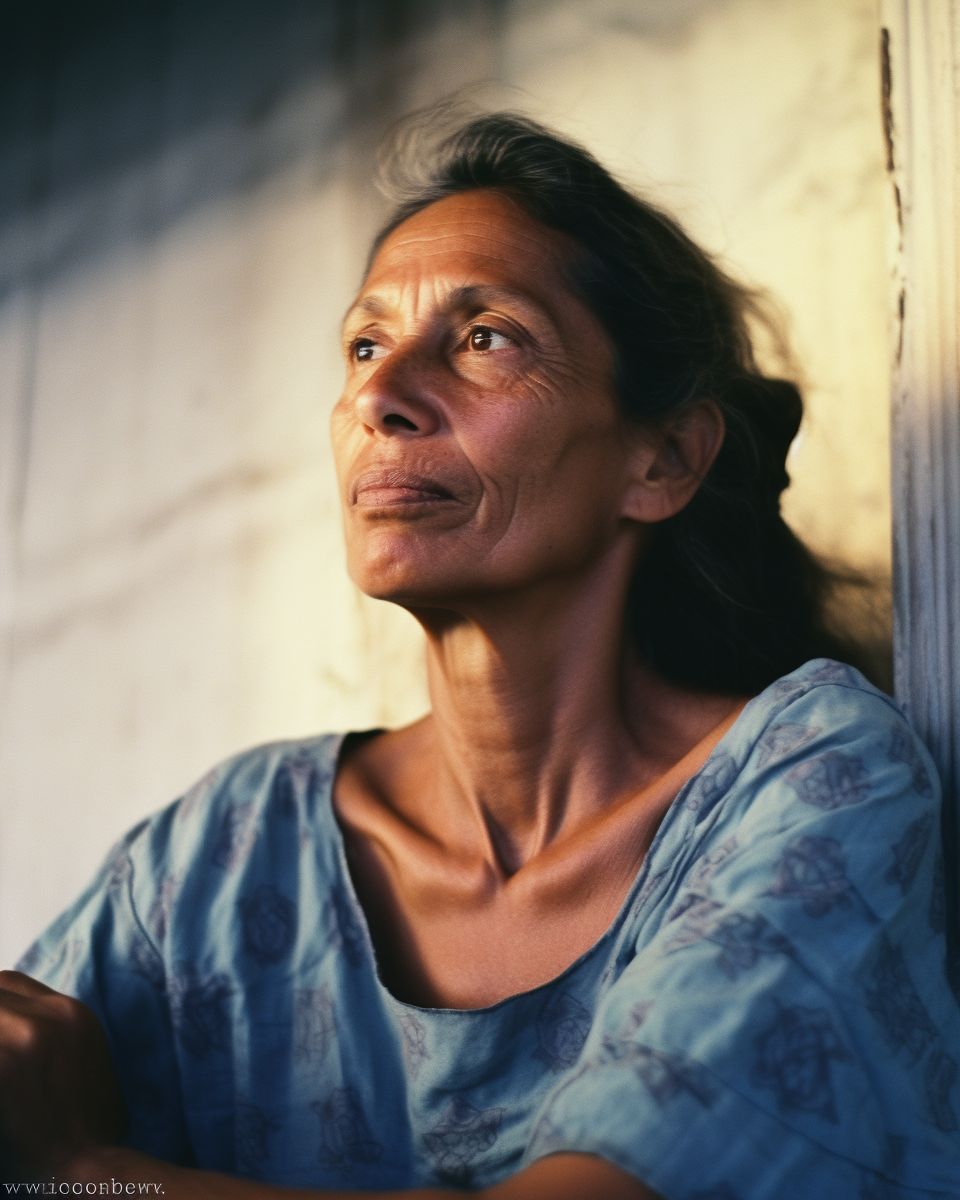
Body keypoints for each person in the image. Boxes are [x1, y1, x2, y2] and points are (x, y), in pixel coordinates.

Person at [2, 112, 958, 1200]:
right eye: (365, 346)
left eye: (485, 337)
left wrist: (82, 1172)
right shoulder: (223, 854)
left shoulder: (812, 781)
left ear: (666, 457)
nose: (377, 397)